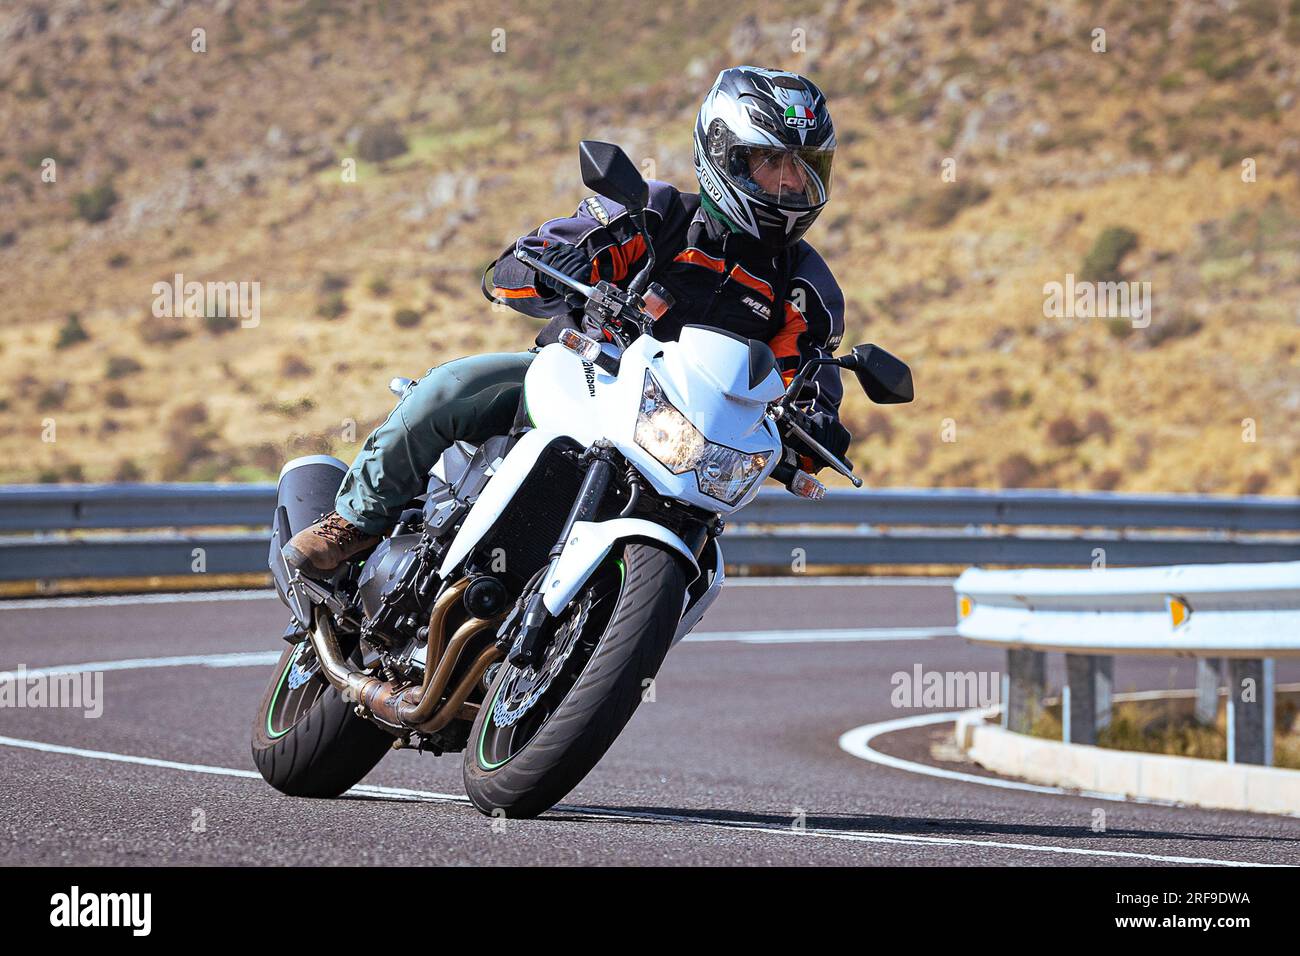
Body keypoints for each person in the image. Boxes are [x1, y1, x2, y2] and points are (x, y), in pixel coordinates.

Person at [283, 65, 852, 576]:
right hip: (579, 378)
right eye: (771, 162)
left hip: (681, 448)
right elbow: (510, 268)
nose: (788, 185)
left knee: (702, 556)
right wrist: (556, 266)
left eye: (803, 169)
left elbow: (805, 377)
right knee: (449, 389)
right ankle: (354, 522)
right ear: (724, 155)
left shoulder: (805, 289)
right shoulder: (653, 214)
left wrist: (818, 423)